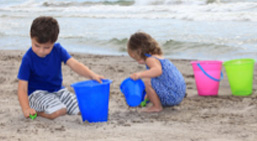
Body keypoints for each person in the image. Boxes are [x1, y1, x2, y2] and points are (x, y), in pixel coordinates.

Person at [17, 16, 104, 120]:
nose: (41, 51)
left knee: (84, 108)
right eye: (37, 45)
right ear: (31, 37)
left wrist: (92, 75)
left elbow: (74, 64)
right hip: (37, 94)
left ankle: (58, 105)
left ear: (54, 42)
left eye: (46, 47)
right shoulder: (28, 58)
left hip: (59, 91)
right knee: (60, 110)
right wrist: (26, 108)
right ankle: (39, 112)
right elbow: (22, 87)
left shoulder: (58, 50)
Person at [127, 32, 186, 113]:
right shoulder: (158, 57)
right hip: (178, 95)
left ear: (139, 51)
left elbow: (158, 71)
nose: (136, 60)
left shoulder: (150, 59)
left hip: (172, 97)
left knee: (147, 80)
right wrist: (149, 94)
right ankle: (155, 102)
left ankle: (157, 107)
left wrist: (139, 74)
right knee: (149, 78)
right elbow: (160, 79)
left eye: (135, 56)